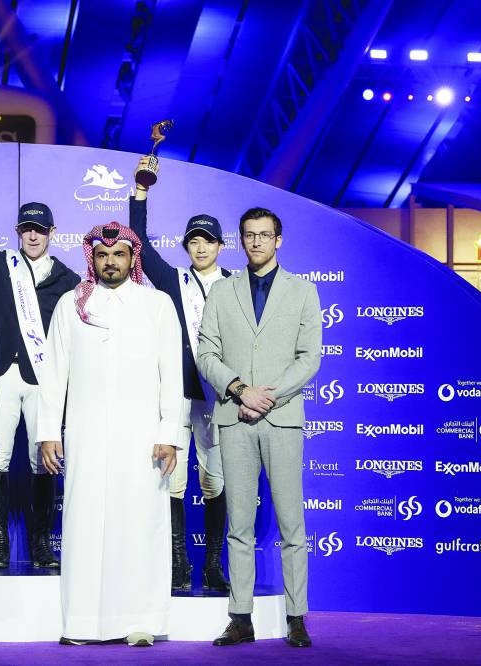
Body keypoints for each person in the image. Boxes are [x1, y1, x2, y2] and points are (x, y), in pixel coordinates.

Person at [37, 222, 182, 647]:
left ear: (132, 258)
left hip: (143, 438)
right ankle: (81, 623)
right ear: (92, 259)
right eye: (102, 255)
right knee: (85, 522)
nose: (110, 262)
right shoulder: (71, 304)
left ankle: (142, 621)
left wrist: (169, 432)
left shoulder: (157, 304)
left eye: (118, 254)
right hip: (86, 434)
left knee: (141, 522)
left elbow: (171, 374)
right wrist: (49, 432)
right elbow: (54, 374)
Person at [196, 207, 321, 648]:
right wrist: (238, 389)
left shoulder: (303, 291)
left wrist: (267, 397)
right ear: (241, 240)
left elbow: (310, 358)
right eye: (249, 235)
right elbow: (206, 352)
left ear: (278, 240)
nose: (256, 242)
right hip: (235, 417)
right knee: (239, 525)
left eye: (264, 235)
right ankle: (241, 616)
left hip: (281, 419)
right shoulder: (222, 291)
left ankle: (297, 616)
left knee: (292, 524)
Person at [0, 158, 81, 570]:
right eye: (26, 229)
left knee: (45, 457)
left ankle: (42, 543)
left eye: (40, 229)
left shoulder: (71, 281)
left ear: (52, 233)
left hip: (44, 380)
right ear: (18, 232)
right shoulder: (3, 264)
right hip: (2, 376)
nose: (33, 235)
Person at [127, 156, 231, 593]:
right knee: (173, 482)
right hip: (177, 397)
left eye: (208, 241)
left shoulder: (236, 284)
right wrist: (141, 193)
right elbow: (139, 245)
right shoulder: (172, 281)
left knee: (216, 483)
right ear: (187, 246)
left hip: (220, 398)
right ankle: (176, 565)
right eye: (194, 242)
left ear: (221, 245)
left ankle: (211, 565)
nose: (201, 248)